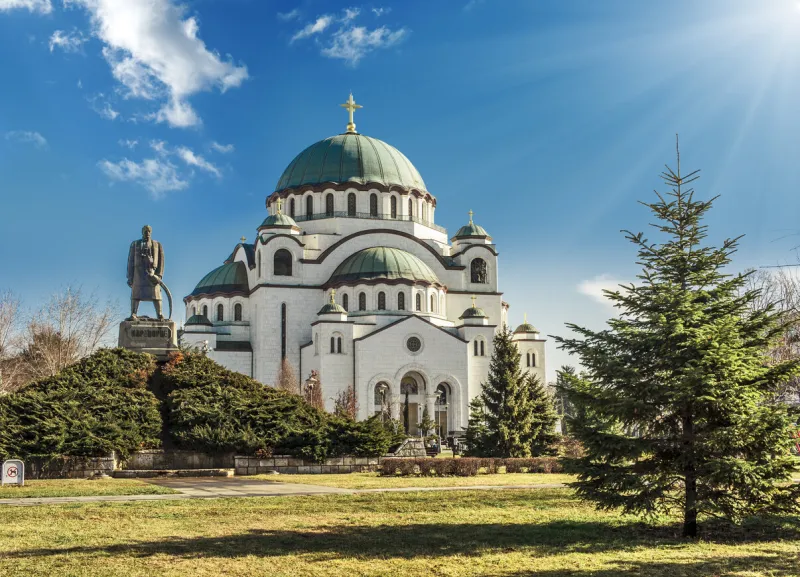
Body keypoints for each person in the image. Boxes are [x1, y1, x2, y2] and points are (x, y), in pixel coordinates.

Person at [127, 225, 165, 320]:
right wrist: (130, 277)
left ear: (151, 232)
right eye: (145, 231)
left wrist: (159, 276)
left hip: (152, 273)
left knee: (156, 295)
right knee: (136, 295)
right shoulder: (135, 244)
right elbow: (130, 261)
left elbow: (161, 261)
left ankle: (159, 314)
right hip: (138, 274)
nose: (147, 233)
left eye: (148, 231)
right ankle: (133, 313)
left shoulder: (157, 244)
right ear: (142, 232)